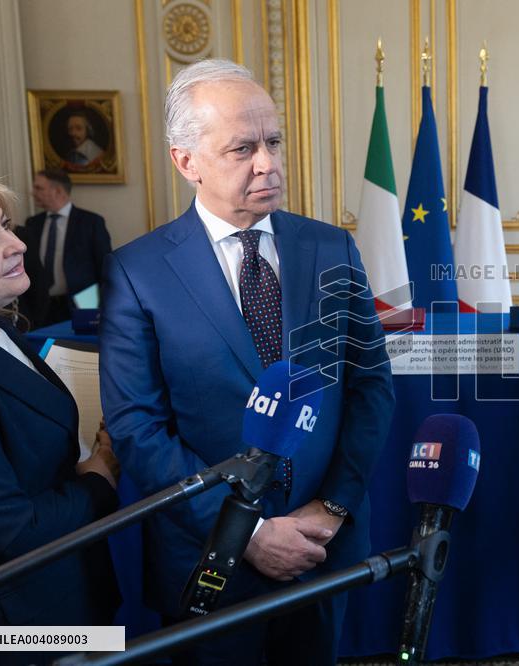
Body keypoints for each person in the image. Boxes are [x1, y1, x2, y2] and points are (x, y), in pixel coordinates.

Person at [100, 59, 395, 665]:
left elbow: (370, 388)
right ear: (187, 161)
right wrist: (249, 532)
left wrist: (332, 506)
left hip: (321, 548)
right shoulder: (137, 271)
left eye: (274, 142)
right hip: (207, 556)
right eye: (242, 148)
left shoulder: (331, 247)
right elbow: (137, 429)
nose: (268, 163)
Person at [0, 173, 121, 659]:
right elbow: (10, 531)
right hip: (17, 629)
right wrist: (98, 479)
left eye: (6, 226)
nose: (17, 245)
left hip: (66, 593)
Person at [19, 169, 111, 327]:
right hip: (42, 308)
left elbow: (105, 267)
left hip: (83, 305)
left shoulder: (91, 222)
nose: (33, 193)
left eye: (39, 188)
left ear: (58, 191)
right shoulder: (33, 223)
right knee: (45, 343)